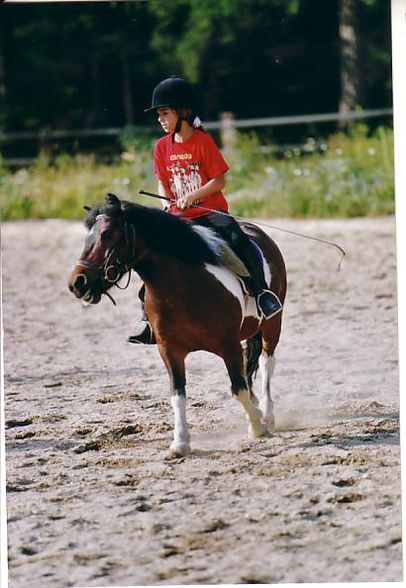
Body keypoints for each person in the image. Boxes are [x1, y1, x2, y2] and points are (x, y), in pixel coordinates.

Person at [128, 76, 282, 344]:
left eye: (165, 113)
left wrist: (193, 196)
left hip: (211, 215)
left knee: (239, 242)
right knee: (153, 258)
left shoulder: (202, 142)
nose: (160, 120)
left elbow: (219, 181)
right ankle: (148, 317)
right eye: (159, 115)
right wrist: (167, 203)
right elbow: (163, 182)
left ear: (183, 112)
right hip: (179, 218)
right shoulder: (161, 147)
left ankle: (261, 293)